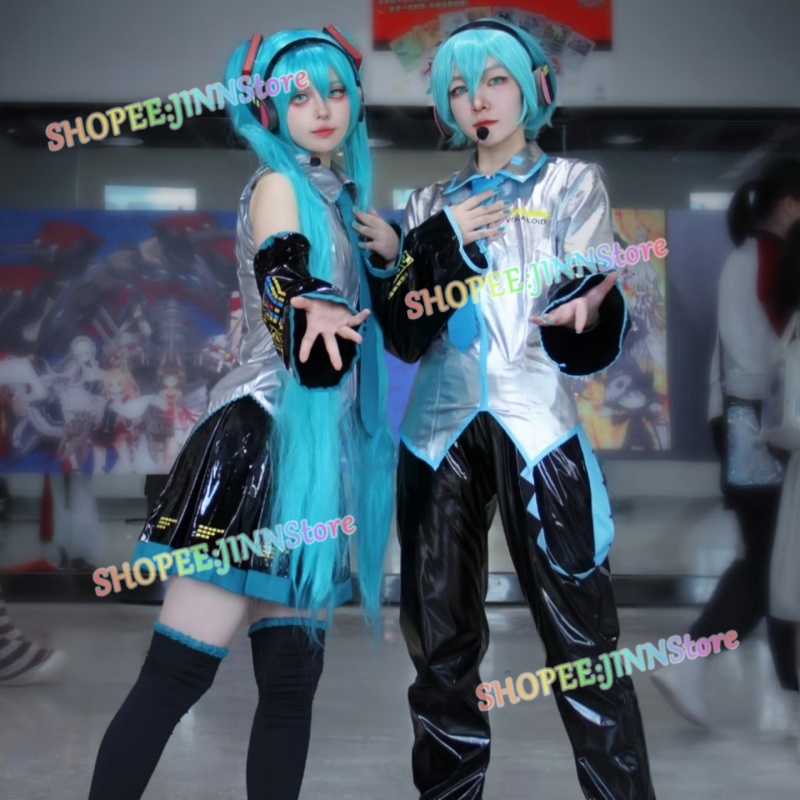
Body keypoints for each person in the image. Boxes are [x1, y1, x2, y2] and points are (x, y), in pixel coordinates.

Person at [88, 26, 394, 800]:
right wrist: (307, 302)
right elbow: (282, 266)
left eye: (334, 92)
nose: (321, 108)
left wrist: (393, 257)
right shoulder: (278, 185)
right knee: (177, 675)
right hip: (254, 449)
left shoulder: (340, 201)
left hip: (315, 460)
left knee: (289, 688)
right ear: (269, 110)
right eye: (300, 95)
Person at [355, 19, 656, 799]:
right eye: (460, 88)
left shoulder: (571, 184)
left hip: (537, 424)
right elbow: (407, 335)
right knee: (440, 648)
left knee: (583, 642)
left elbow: (585, 290)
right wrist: (431, 243)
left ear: (530, 88)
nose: (478, 101)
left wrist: (589, 308)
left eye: (494, 81)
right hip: (435, 435)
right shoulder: (429, 203)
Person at [653, 159, 800, 729]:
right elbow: (778, 349)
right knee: (770, 561)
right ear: (789, 203)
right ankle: (692, 661)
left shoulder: (747, 258)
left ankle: (778, 684)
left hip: (745, 421)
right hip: (758, 426)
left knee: (773, 559)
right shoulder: (767, 259)